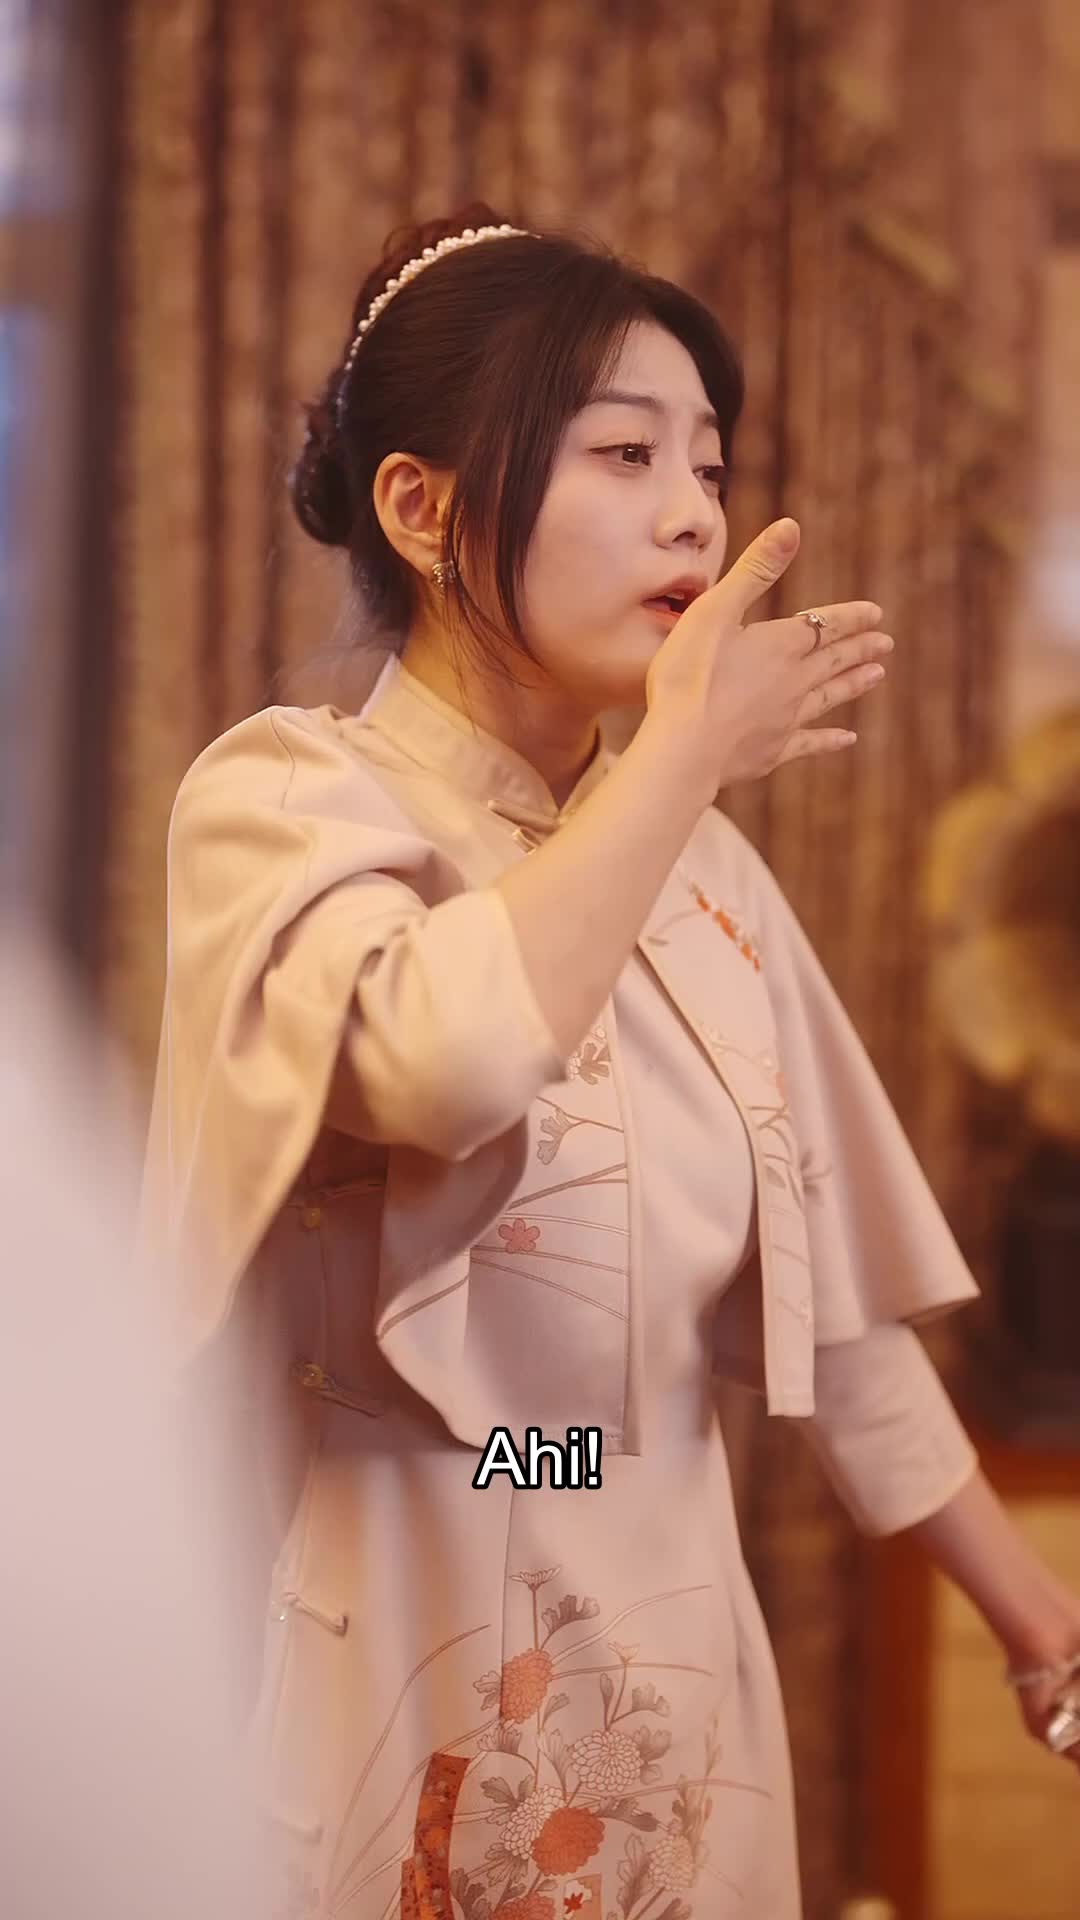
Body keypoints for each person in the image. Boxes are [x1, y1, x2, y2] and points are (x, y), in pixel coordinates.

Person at [141, 205, 1080, 1920]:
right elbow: (445, 1062)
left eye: (708, 464)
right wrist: (683, 761)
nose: (695, 513)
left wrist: (1043, 1630)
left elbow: (837, 1319)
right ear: (421, 508)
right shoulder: (284, 799)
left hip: (677, 1689)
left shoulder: (708, 874)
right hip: (398, 1639)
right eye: (627, 453)